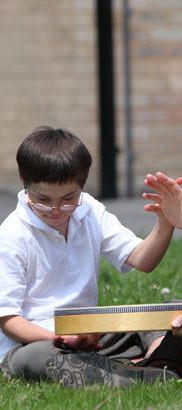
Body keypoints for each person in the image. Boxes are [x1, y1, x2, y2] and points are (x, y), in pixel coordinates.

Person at [0, 126, 182, 389]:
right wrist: (59, 338)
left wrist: (166, 221)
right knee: (40, 358)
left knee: (172, 311)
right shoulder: (10, 236)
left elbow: (142, 259)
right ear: (22, 178)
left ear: (83, 185)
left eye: (68, 199)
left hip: (91, 335)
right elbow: (8, 321)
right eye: (42, 200)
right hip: (34, 343)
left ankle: (151, 361)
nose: (56, 210)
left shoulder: (90, 211)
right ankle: (145, 372)